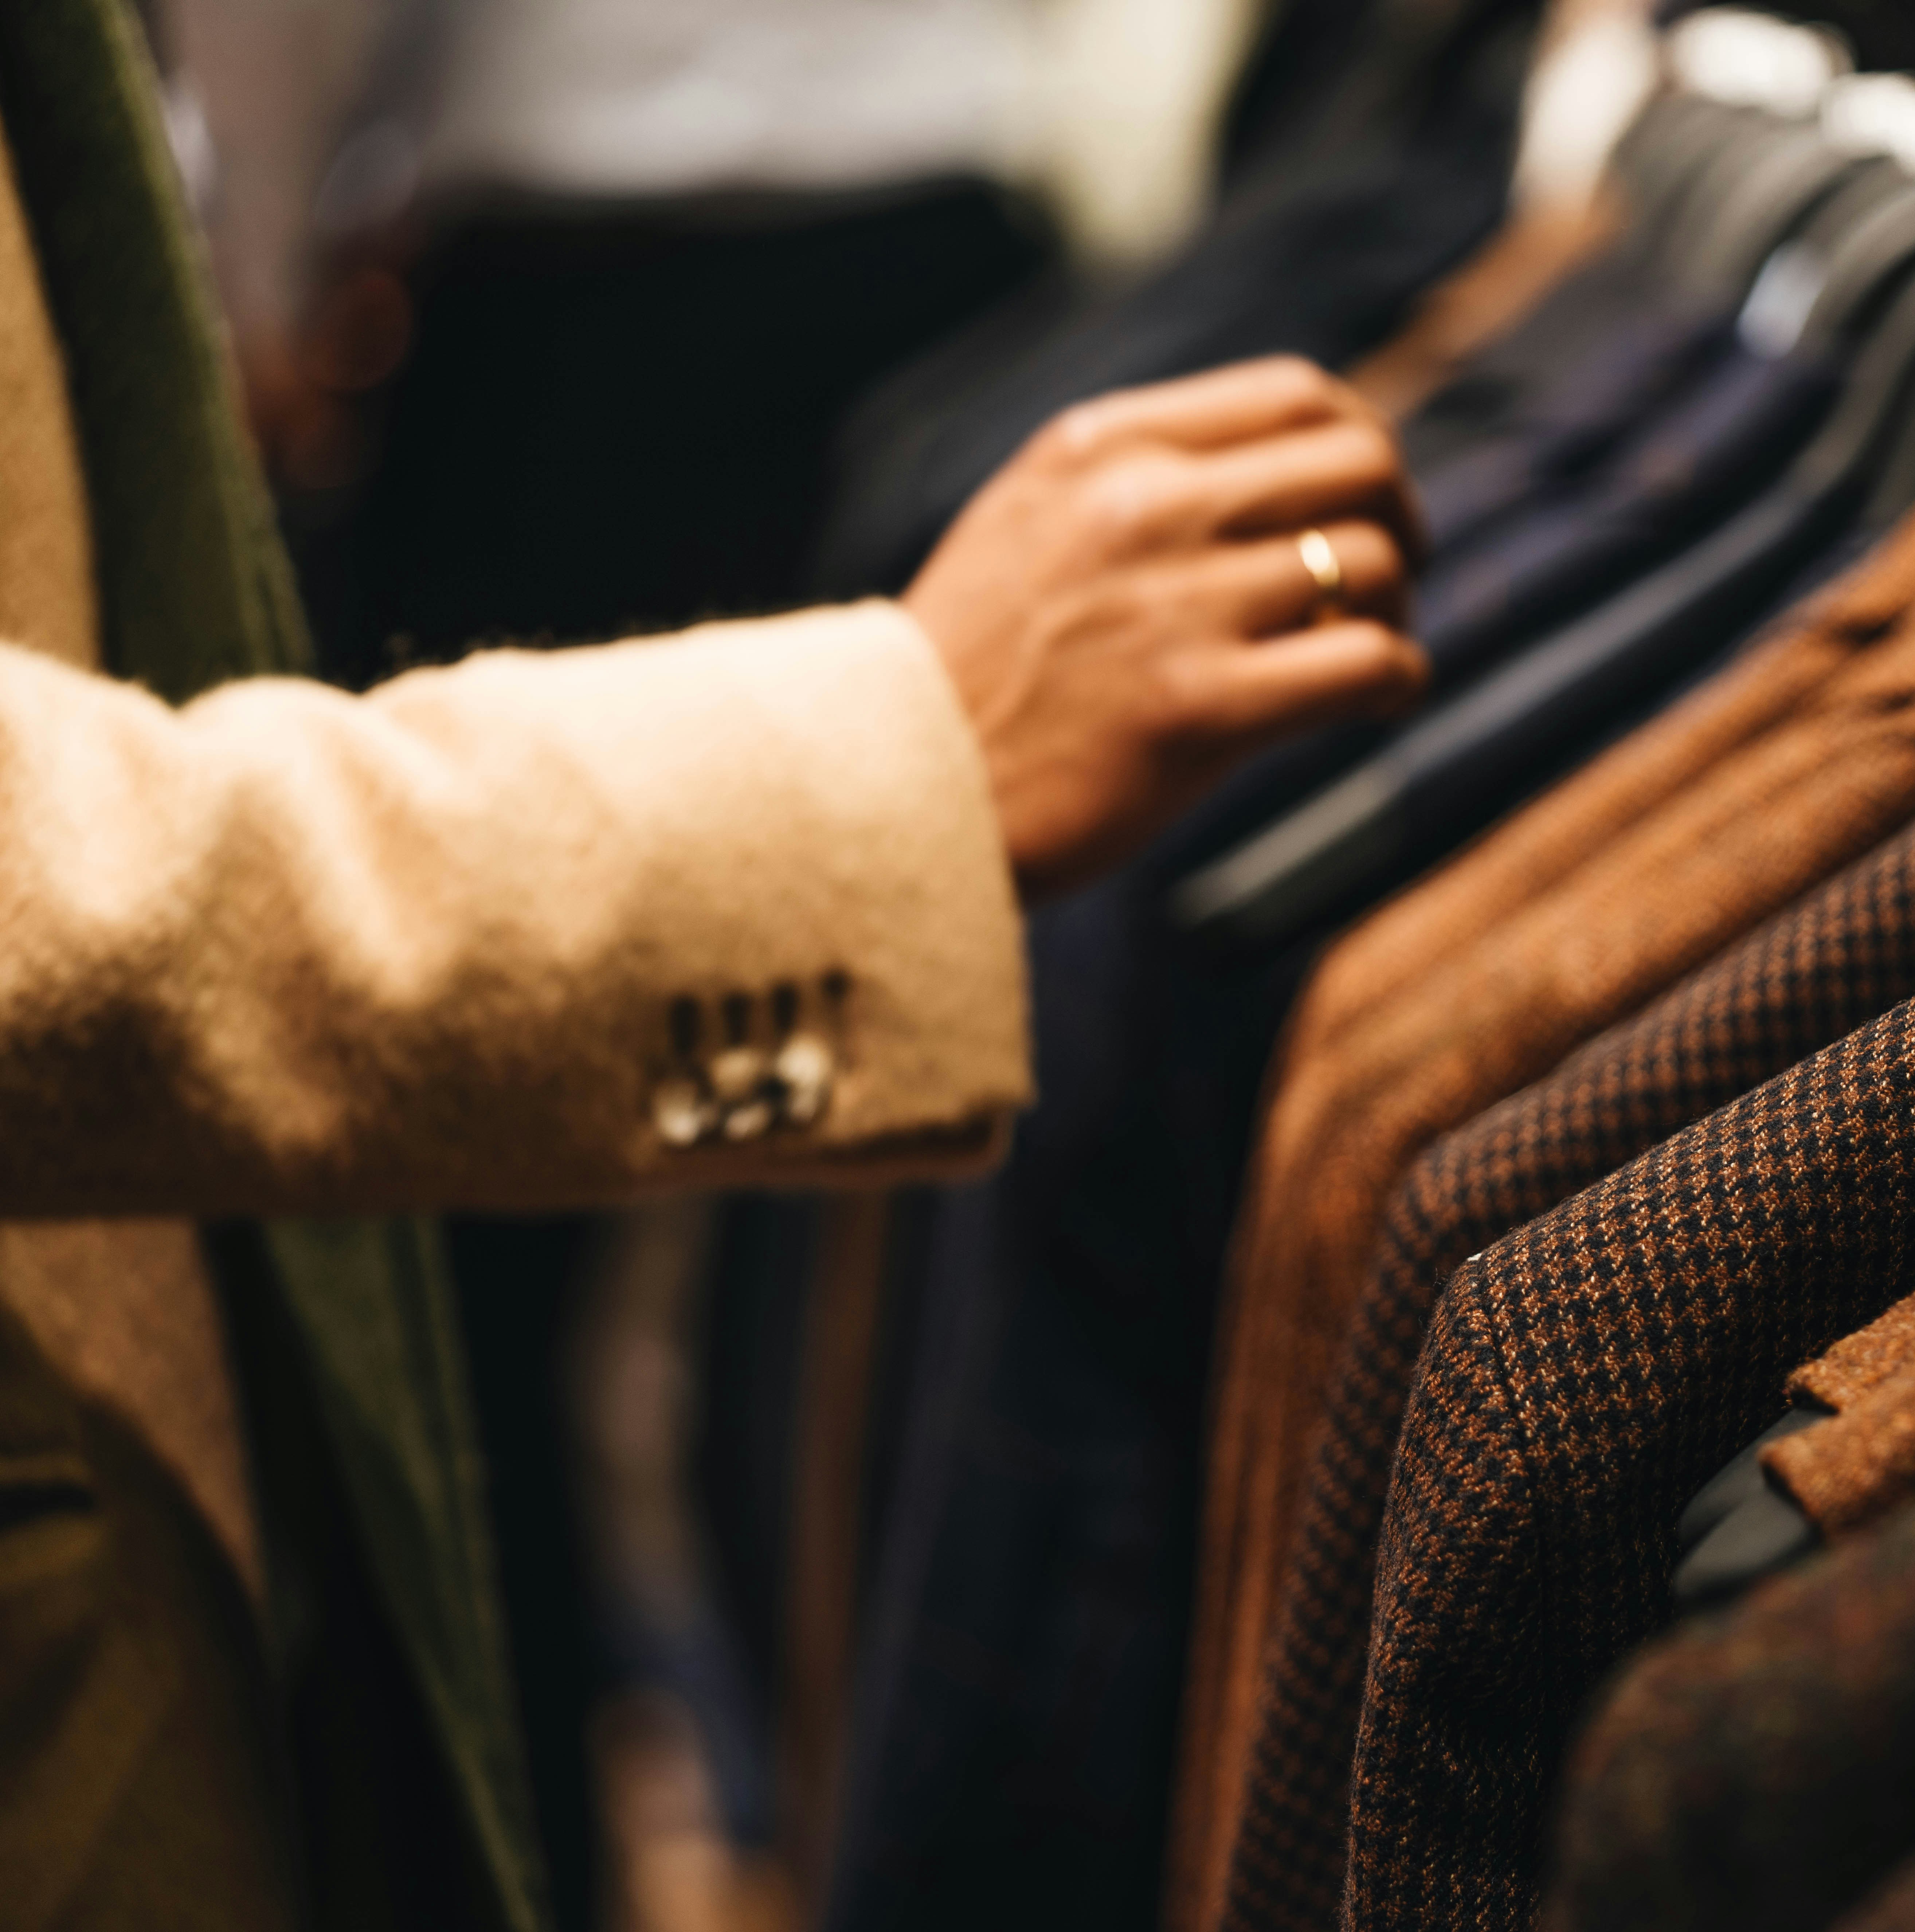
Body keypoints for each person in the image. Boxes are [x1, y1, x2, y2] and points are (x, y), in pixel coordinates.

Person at [0, 3, 1423, 1927]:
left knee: (619, 1300)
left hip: (620, 307)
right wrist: (864, 777)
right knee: (575, 1292)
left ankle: (719, 1776)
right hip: (794, 276)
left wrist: (266, 278)